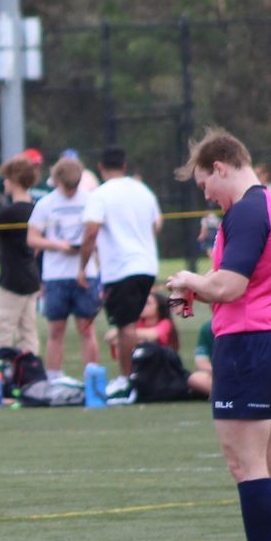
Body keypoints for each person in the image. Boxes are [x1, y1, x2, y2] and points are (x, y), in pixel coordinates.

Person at [165, 129, 271, 541]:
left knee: (245, 464)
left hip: (250, 345)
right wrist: (200, 289)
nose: (206, 194)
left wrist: (188, 279)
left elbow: (230, 286)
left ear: (221, 167)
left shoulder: (246, 210)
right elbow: (247, 283)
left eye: (205, 182)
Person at [79, 146, 162, 394]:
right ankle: (138, 374)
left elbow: (91, 231)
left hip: (121, 268)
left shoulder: (100, 194)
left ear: (101, 167)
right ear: (124, 167)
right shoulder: (143, 190)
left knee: (125, 325)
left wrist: (83, 267)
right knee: (132, 324)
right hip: (147, 265)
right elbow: (157, 223)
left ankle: (128, 379)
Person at [27, 154, 101, 372]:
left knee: (87, 329)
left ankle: (91, 380)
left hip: (86, 274)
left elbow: (98, 234)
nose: (71, 191)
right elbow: (32, 238)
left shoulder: (90, 200)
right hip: (55, 276)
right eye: (67, 186)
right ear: (57, 181)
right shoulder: (45, 204)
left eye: (74, 186)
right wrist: (58, 245)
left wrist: (87, 246)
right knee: (56, 330)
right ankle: (54, 380)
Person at [0, 155, 41, 355]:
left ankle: (0, 379)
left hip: (11, 280)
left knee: (1, 333)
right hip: (31, 279)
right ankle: (31, 374)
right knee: (28, 334)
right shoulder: (36, 208)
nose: (4, 182)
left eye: (7, 178)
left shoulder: (11, 212)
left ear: (14, 181)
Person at [133, 290, 181, 354]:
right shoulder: (138, 322)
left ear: (159, 307)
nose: (142, 305)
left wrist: (126, 333)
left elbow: (154, 334)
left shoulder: (165, 323)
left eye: (147, 303)